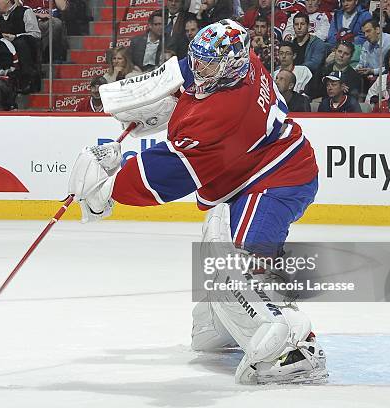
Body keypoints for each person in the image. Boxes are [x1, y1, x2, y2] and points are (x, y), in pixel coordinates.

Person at [68, 19, 327, 385]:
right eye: (200, 58)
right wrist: (114, 97)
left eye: (208, 63)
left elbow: (166, 176)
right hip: (254, 171)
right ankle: (222, 321)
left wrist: (108, 188)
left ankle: (296, 347)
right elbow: (181, 72)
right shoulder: (244, 61)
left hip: (278, 179)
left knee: (246, 260)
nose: (200, 67)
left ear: (229, 66)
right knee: (216, 233)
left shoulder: (223, 113)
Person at [0, 0, 42, 93]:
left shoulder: (25, 11)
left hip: (24, 48)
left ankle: (28, 80)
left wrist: (15, 37)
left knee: (21, 42)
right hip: (3, 48)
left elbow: (36, 34)